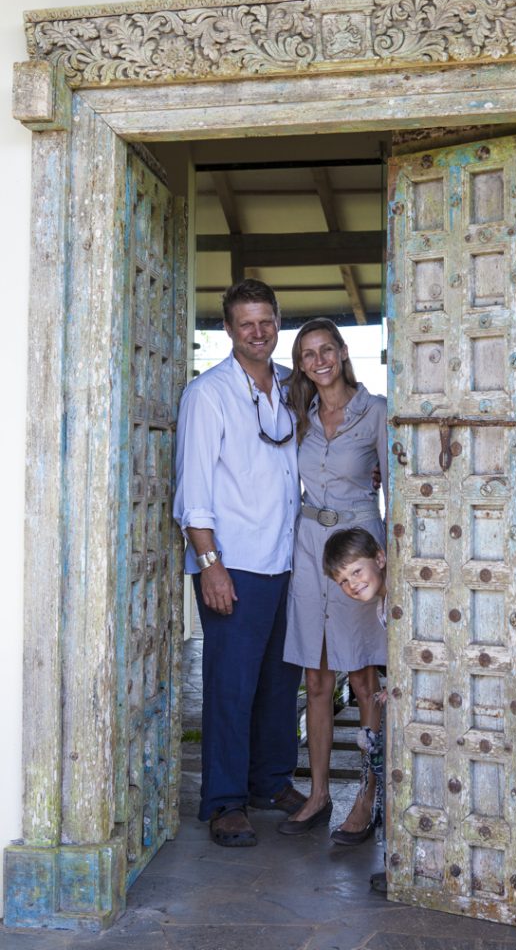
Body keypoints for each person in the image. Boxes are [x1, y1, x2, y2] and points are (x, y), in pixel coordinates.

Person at [173, 280, 306, 848]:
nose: (258, 332)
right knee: (230, 685)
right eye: (246, 323)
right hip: (235, 562)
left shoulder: (290, 387)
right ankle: (225, 800)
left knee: (281, 682)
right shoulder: (209, 393)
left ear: (279, 322)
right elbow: (193, 490)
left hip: (287, 558)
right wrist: (210, 564)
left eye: (267, 321)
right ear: (228, 329)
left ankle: (270, 781)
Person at [278, 318, 387, 842]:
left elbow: (399, 487)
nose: (318, 360)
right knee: (316, 680)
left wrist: (392, 559)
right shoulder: (299, 413)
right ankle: (319, 795)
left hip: (357, 549)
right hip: (307, 548)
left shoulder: (376, 412)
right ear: (299, 364)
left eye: (326, 350)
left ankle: (368, 796)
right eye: (306, 354)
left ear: (343, 353)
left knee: (364, 678)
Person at [322, 527, 388, 893]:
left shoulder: (398, 594)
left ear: (380, 557)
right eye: (343, 580)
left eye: (356, 572)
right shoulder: (380, 605)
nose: (351, 584)